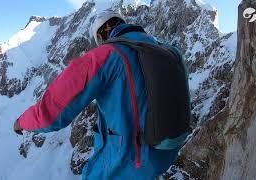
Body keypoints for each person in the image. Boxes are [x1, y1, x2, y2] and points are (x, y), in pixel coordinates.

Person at [14, 10, 188, 180]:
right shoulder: (169, 51)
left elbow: (51, 112)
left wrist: (22, 122)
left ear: (100, 37)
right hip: (161, 156)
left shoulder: (105, 55)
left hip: (123, 164)